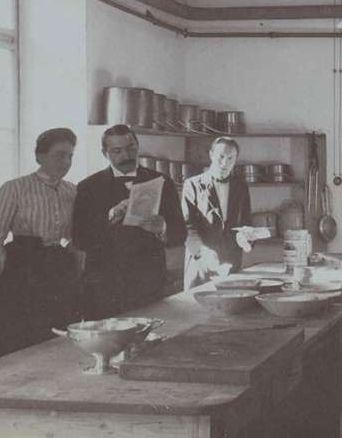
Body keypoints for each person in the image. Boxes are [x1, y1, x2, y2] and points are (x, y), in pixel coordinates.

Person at [0, 128, 81, 367]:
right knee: (15, 349)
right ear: (40, 156)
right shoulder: (14, 188)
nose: (66, 162)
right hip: (21, 274)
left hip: (56, 275)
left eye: (70, 156)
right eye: (60, 155)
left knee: (54, 350)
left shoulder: (72, 191)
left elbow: (76, 234)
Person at [73, 124, 185, 319]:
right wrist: (109, 217)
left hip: (147, 285)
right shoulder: (87, 187)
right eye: (117, 151)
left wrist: (163, 227)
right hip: (103, 288)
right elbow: (80, 239)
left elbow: (180, 234)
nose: (126, 155)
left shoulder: (162, 181)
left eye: (131, 148)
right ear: (104, 153)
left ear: (138, 145)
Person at [181, 136, 253, 289]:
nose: (224, 163)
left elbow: (247, 223)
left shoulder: (241, 186)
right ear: (211, 154)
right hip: (200, 264)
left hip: (231, 263)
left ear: (235, 160)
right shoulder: (192, 184)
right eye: (221, 156)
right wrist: (203, 252)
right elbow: (187, 226)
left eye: (230, 158)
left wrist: (247, 239)